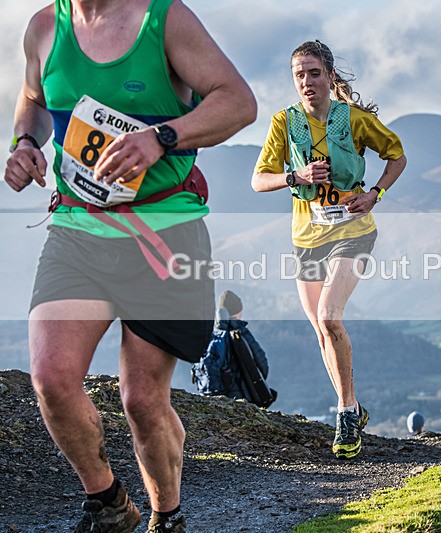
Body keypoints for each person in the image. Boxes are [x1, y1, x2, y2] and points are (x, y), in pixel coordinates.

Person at [4, 1, 256, 532]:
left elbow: (238, 103)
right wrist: (25, 141)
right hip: (79, 231)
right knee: (51, 379)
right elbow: (34, 98)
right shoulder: (46, 26)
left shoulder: (164, 19)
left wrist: (160, 138)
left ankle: (167, 515)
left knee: (142, 400)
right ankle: (109, 505)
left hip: (164, 237)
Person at [251, 40, 406, 459]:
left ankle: (345, 413)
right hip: (307, 236)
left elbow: (397, 156)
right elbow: (259, 180)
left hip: (353, 230)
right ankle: (352, 405)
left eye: (314, 73)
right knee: (322, 330)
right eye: (299, 75)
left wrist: (375, 194)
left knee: (329, 316)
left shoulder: (354, 119)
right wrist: (295, 176)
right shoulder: (284, 122)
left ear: (330, 76)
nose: (307, 81)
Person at [214, 290, 276, 404]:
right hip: (240, 393)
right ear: (238, 312)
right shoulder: (240, 332)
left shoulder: (213, 334)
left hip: (215, 392)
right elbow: (261, 362)